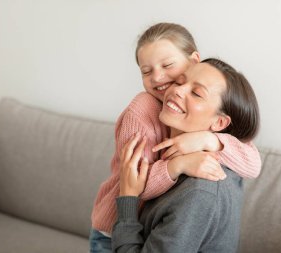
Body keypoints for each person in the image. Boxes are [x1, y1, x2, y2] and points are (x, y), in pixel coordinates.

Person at [90, 23, 261, 252]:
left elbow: (252, 163)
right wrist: (176, 165)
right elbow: (134, 184)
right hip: (113, 228)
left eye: (168, 65)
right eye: (146, 71)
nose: (158, 78)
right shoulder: (141, 112)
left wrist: (209, 140)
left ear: (194, 61)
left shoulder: (203, 186)